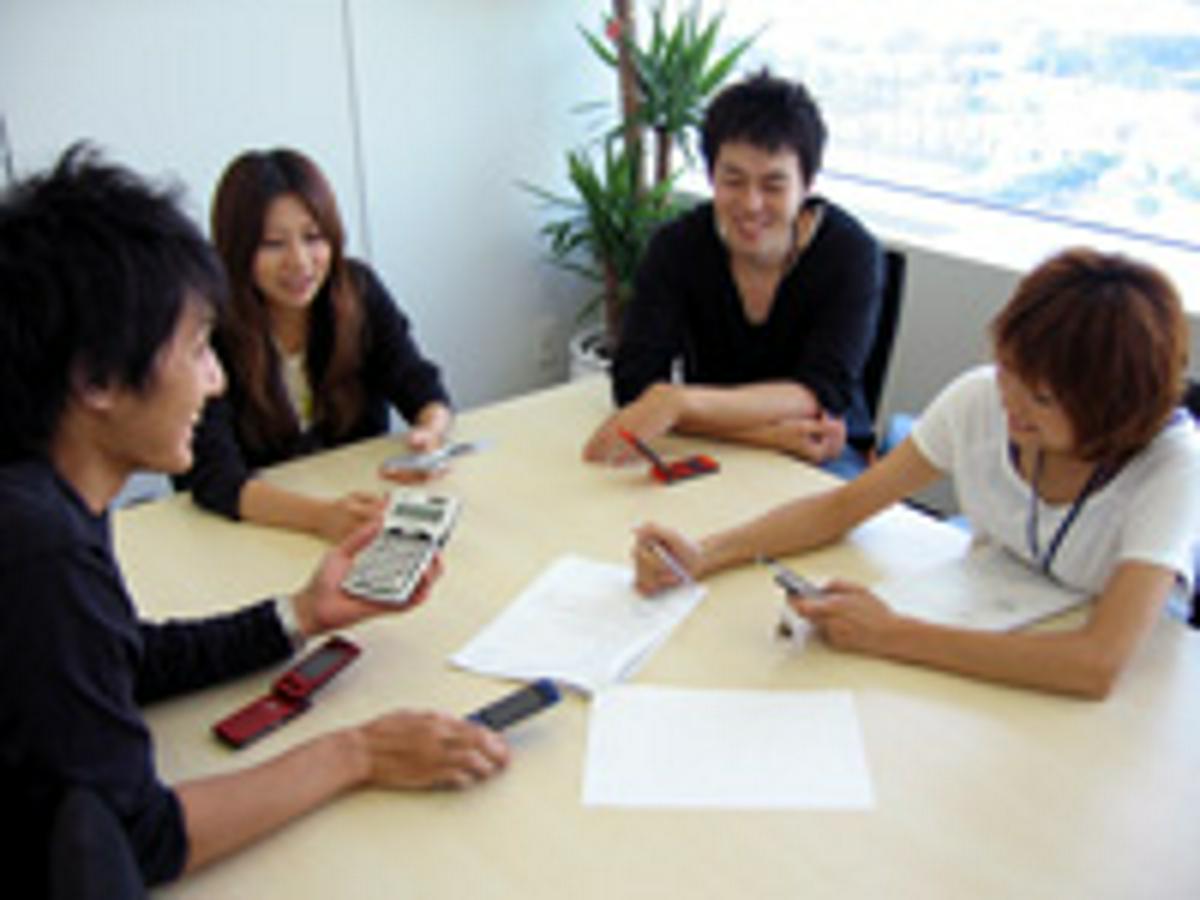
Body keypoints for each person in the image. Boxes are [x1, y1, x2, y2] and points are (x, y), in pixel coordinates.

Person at [0, 147, 508, 892]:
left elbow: (117, 659)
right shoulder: (38, 549)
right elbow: (140, 838)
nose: (214, 382)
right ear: (97, 378)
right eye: (196, 350)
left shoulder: (49, 492)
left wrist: (302, 613)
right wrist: (357, 753)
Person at [630, 248, 1200, 699]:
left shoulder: (1172, 463)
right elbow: (841, 507)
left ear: (1113, 408)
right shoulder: (981, 399)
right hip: (995, 630)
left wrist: (891, 634)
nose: (1012, 403)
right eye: (1009, 370)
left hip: (1127, 687)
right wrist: (706, 554)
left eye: (1043, 398)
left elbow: (1098, 663)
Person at [584, 71, 884, 471]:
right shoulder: (676, 246)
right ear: (712, 175)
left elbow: (819, 393)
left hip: (821, 445)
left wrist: (677, 404)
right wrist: (765, 437)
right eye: (733, 180)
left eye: (773, 186)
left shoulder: (850, 253)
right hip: (713, 435)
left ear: (807, 184)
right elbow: (635, 384)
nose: (751, 204)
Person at [179, 148, 453, 541]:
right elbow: (212, 477)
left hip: (362, 511)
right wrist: (321, 517)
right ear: (238, 249)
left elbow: (420, 386)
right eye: (273, 243)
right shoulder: (210, 327)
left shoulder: (357, 292)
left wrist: (430, 435)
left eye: (313, 238)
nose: (300, 262)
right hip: (254, 534)